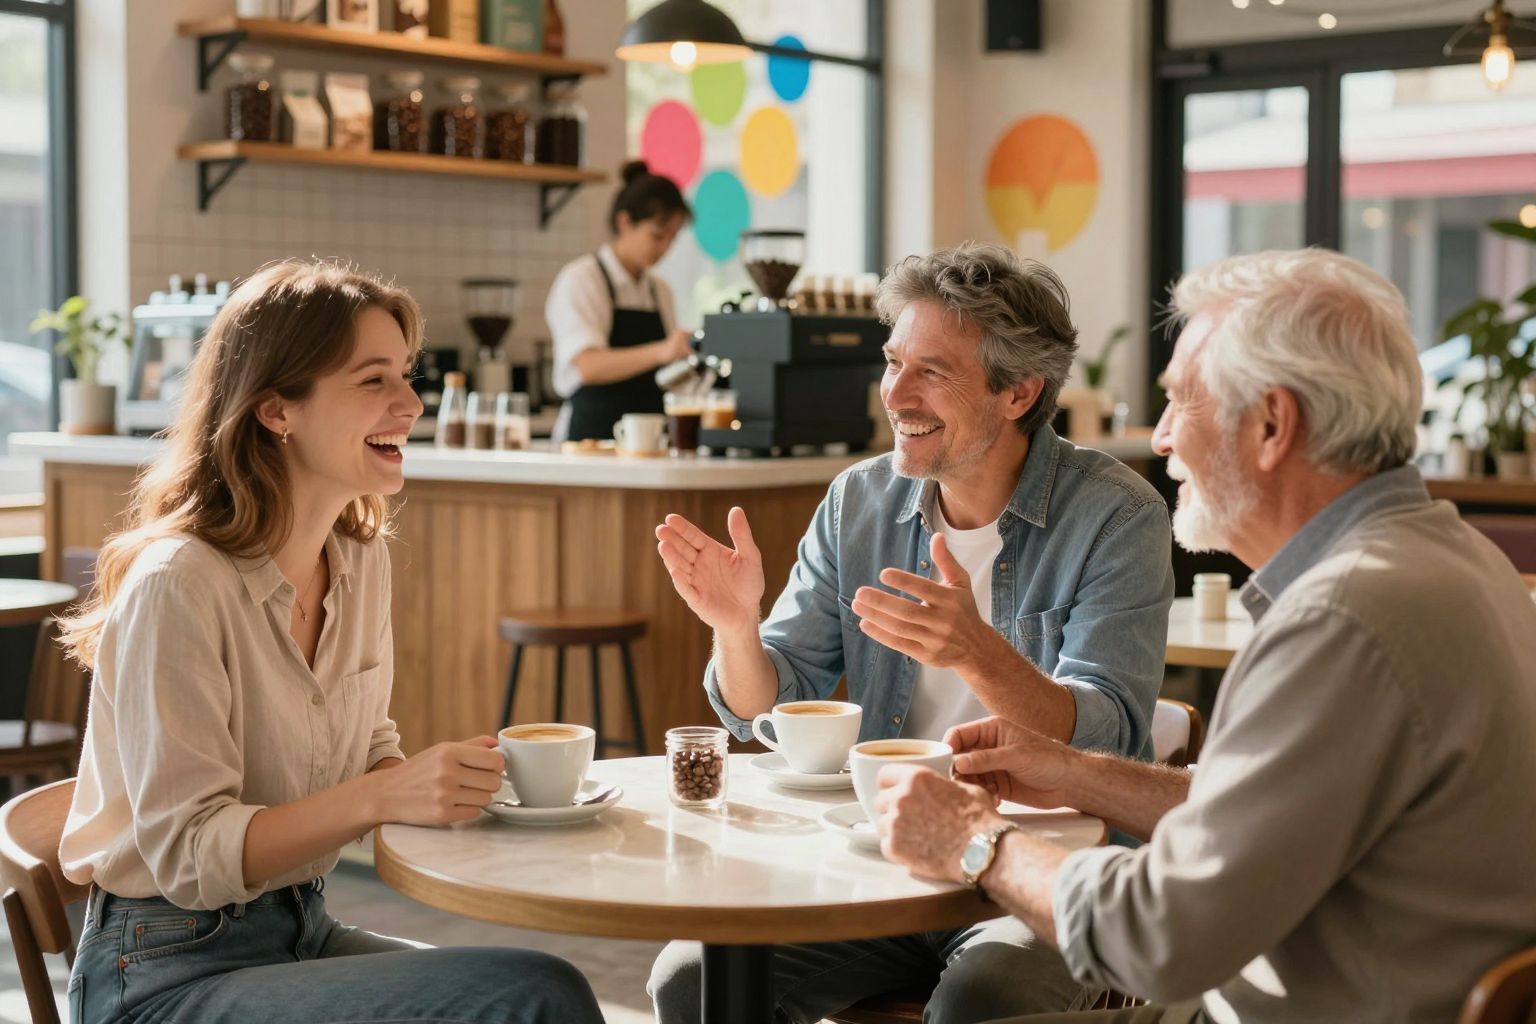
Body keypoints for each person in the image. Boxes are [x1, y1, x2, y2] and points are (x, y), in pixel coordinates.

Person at [873, 248, 1536, 1024]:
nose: (1159, 440)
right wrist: (1074, 772)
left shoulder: (1341, 619)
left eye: (1182, 401)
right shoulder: (1453, 560)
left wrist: (975, 841)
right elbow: (1262, 812)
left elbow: (1157, 936)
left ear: (1271, 424)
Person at [57, 261, 604, 1024]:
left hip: (301, 932)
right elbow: (188, 854)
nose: (411, 403)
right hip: (160, 975)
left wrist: (440, 789)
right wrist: (385, 793)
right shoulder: (178, 584)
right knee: (531, 999)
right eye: (374, 380)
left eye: (406, 377)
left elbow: (365, 740)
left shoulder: (358, 558)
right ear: (277, 410)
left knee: (549, 985)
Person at [649, 242, 1175, 1023]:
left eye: (932, 371)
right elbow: (771, 702)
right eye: (894, 361)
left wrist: (976, 652)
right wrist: (737, 628)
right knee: (690, 979)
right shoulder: (858, 502)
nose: (896, 392)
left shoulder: (1117, 516)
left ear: (1018, 393)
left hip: (1039, 869)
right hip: (879, 858)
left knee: (985, 998)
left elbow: (1111, 735)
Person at [545, 159, 694, 442]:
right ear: (624, 222)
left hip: (648, 443)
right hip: (589, 444)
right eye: (657, 235)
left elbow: (667, 373)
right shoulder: (582, 279)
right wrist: (663, 350)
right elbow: (587, 366)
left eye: (672, 238)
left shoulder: (659, 290)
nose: (665, 248)